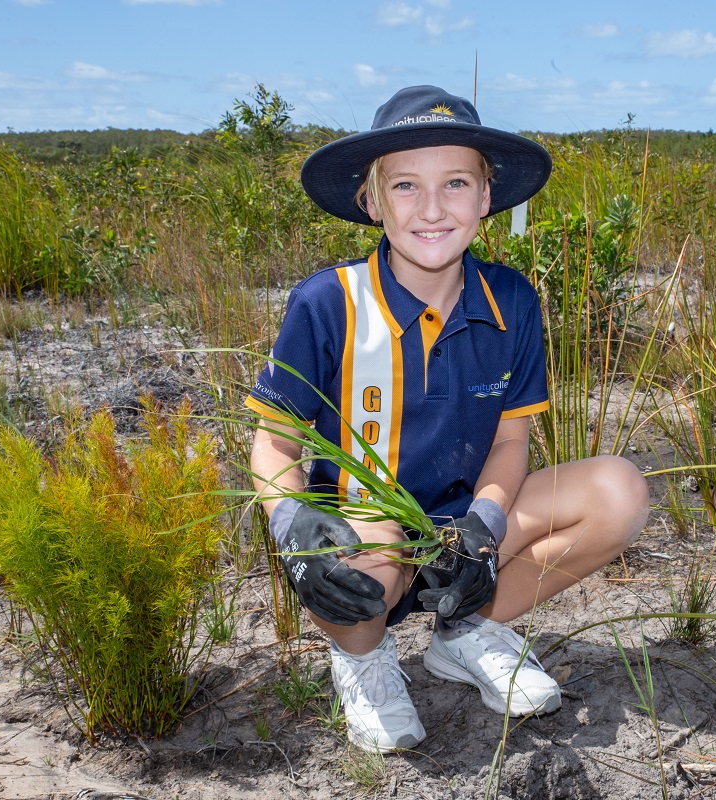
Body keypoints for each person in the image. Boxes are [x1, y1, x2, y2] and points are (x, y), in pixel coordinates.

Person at [247, 85, 650, 753]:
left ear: (486, 197)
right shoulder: (328, 303)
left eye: (456, 182)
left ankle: (463, 630)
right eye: (405, 186)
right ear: (372, 202)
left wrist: (482, 532)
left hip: (465, 534)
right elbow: (273, 443)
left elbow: (511, 440)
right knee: (370, 562)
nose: (432, 208)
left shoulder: (512, 301)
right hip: (368, 531)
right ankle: (362, 661)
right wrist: (293, 525)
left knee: (619, 493)